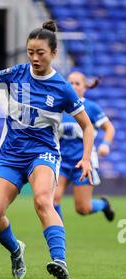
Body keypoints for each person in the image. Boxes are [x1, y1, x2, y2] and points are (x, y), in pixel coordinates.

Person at [0, 20, 94, 279]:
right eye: (30, 52)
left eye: (40, 52)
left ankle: (59, 261)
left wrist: (86, 158)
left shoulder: (62, 88)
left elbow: (88, 127)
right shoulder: (17, 73)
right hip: (11, 155)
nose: (35, 57)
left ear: (53, 53)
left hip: (43, 152)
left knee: (43, 199)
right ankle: (16, 250)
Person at [54, 71, 115, 222]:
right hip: (61, 161)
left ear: (85, 87)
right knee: (52, 201)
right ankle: (58, 239)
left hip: (83, 162)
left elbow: (109, 128)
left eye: (77, 83)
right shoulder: (59, 107)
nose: (73, 86)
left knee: (82, 208)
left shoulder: (91, 107)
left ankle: (103, 204)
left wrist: (105, 144)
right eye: (70, 83)